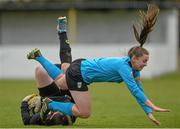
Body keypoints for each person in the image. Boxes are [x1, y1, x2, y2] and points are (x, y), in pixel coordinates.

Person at [27, 4, 170, 126]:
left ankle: (43, 53)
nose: (146, 64)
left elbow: (139, 89)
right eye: (144, 61)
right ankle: (49, 103)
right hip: (79, 74)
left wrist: (148, 112)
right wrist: (152, 105)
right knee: (84, 112)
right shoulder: (124, 68)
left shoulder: (132, 68)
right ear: (134, 58)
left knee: (62, 77)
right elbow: (134, 91)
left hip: (80, 66)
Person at [21, 16, 76, 126]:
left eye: (50, 114)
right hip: (70, 99)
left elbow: (26, 121)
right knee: (66, 70)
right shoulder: (70, 113)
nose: (52, 113)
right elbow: (69, 119)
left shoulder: (41, 116)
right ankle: (62, 32)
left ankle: (42, 60)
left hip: (51, 97)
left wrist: (24, 104)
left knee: (39, 71)